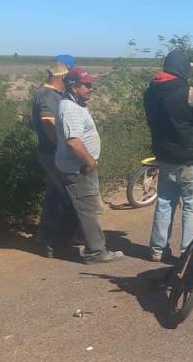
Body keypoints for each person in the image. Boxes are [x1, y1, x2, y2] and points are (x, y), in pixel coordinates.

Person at [143, 50, 193, 262]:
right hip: (191, 160)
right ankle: (188, 251)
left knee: (165, 203)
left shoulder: (150, 93)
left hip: (165, 158)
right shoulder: (191, 94)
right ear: (183, 68)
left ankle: (157, 249)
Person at [51, 67, 124, 264]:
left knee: (73, 208)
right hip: (79, 168)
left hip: (74, 166)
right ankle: (96, 252)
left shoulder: (75, 104)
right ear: (74, 86)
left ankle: (60, 246)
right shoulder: (71, 108)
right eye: (87, 84)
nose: (91, 88)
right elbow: (73, 141)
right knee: (88, 210)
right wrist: (90, 162)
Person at [31, 58, 71, 245]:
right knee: (60, 194)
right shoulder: (48, 96)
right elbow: (48, 124)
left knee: (55, 192)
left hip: (51, 151)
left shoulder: (50, 93)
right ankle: (50, 235)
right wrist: (62, 146)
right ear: (62, 75)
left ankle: (49, 233)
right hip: (52, 151)